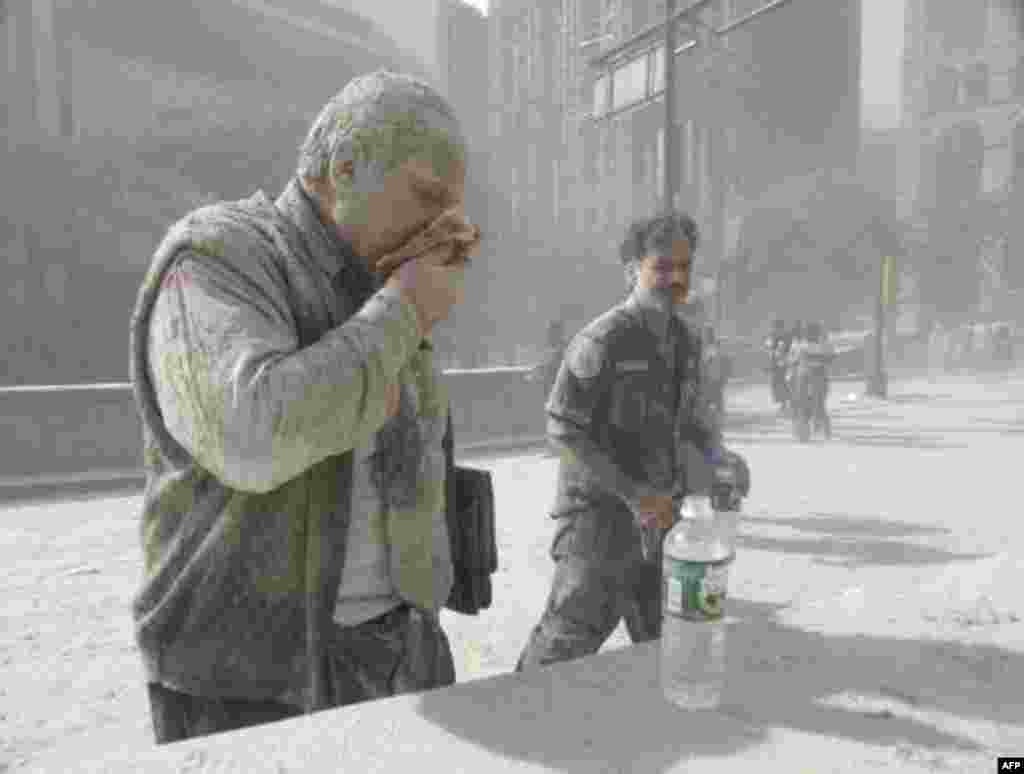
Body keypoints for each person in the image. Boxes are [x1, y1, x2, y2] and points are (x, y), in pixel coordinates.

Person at [129, 71, 482, 744]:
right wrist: (406, 306)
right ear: (345, 168)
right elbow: (252, 436)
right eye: (425, 195)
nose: (442, 225)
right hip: (248, 684)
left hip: (402, 657)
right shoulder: (218, 252)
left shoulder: (384, 282)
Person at [515, 211, 725, 670]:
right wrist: (633, 495)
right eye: (662, 267)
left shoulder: (686, 341)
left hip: (664, 524)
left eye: (684, 267)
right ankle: (520, 724)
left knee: (672, 646)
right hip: (600, 524)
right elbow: (563, 429)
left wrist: (715, 462)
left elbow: (686, 423)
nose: (675, 278)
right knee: (565, 646)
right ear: (632, 270)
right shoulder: (604, 339)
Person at [700, 323, 732, 422]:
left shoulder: (715, 347)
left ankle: (717, 420)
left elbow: (724, 362)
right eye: (705, 334)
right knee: (708, 401)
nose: (706, 336)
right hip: (707, 378)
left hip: (715, 378)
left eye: (707, 334)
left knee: (716, 401)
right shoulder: (702, 346)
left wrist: (724, 377)